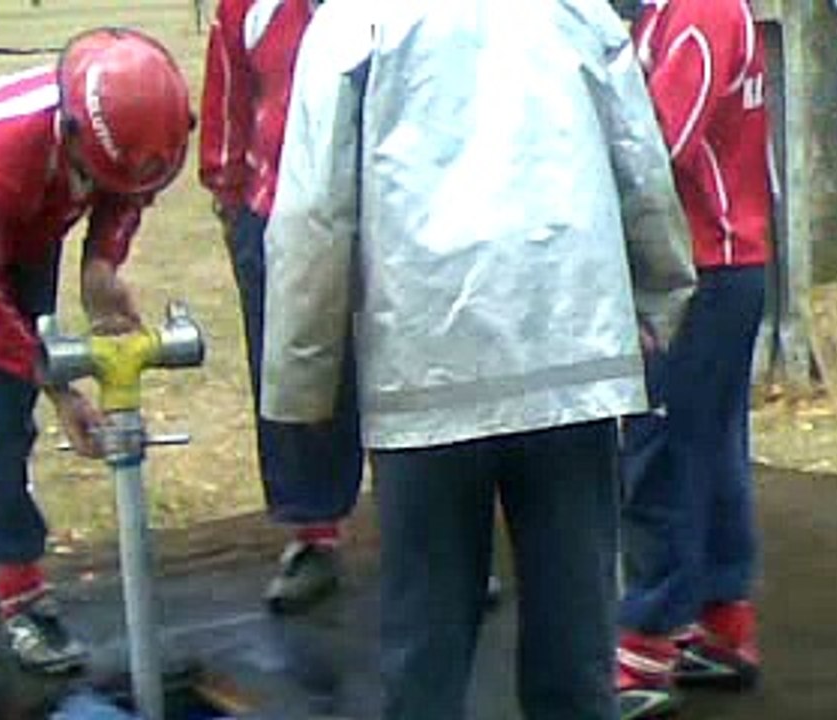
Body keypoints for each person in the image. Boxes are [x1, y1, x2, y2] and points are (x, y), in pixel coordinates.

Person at [260, 0, 696, 717]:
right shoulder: (578, 10)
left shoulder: (354, 22)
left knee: (425, 645)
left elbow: (314, 211)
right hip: (569, 356)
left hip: (426, 367)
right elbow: (640, 165)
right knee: (575, 641)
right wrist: (661, 296)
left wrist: (303, 381)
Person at [0, 26, 194, 673]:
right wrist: (60, 389)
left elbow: (128, 192)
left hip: (32, 225)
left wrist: (100, 263)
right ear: (71, 134)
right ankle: (23, 598)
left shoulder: (125, 123)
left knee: (4, 404)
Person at [611, 1, 771, 718]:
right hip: (721, 263)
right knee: (711, 446)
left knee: (663, 451)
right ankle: (722, 623)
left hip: (699, 267)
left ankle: (644, 647)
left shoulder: (700, 13)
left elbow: (653, 147)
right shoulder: (676, 11)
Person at [198, 0, 365, 613]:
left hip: (391, 207)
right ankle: (312, 534)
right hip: (281, 212)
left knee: (413, 370)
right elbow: (227, 102)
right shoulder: (247, 7)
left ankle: (440, 540)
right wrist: (230, 197)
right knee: (296, 375)